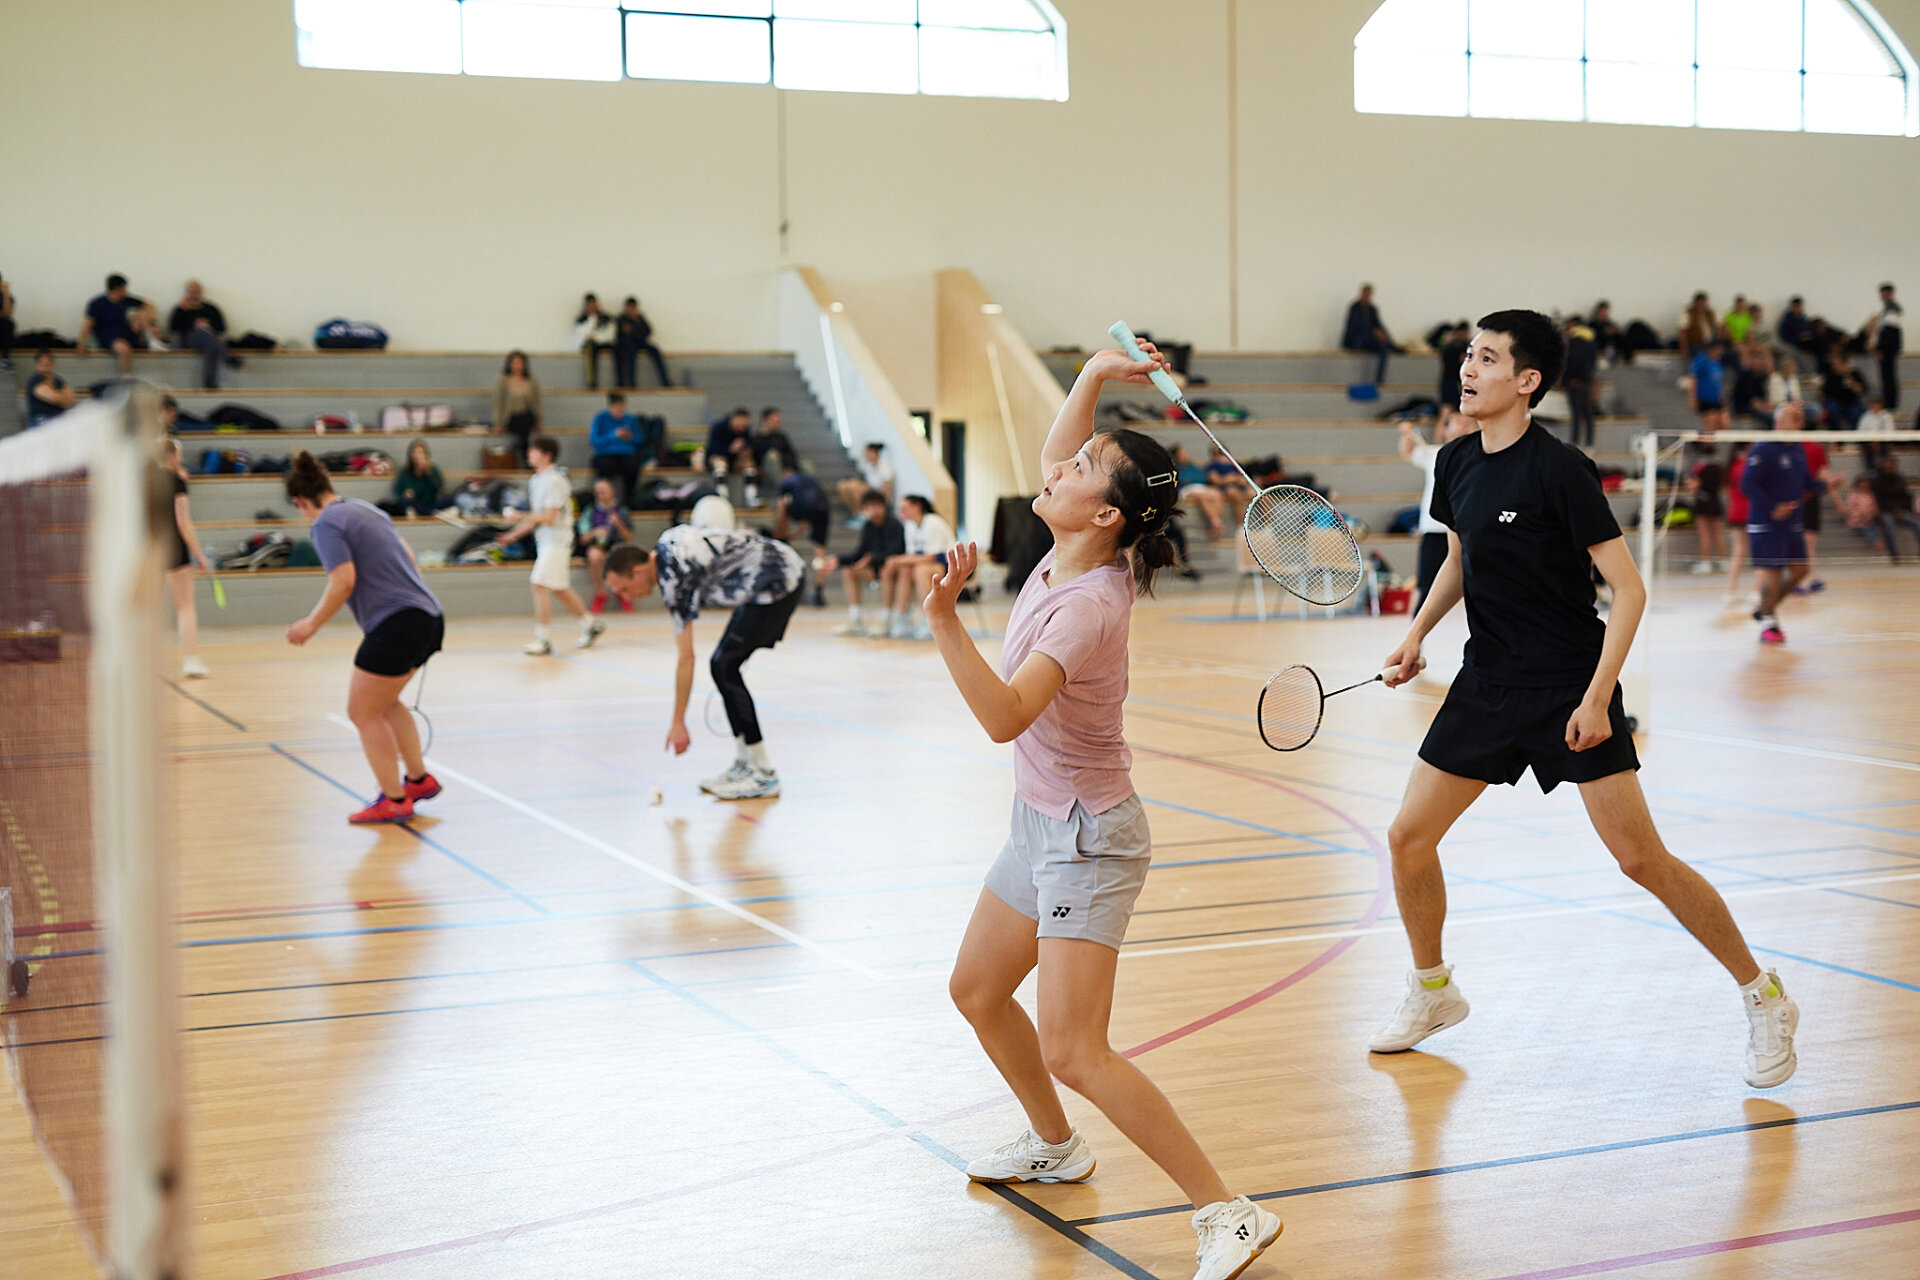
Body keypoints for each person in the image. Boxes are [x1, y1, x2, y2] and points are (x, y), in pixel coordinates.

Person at [924, 339, 1283, 1280]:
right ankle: (1056, 1145)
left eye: (1081, 469)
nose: (1058, 468)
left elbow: (1004, 718)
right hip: (1040, 821)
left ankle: (1228, 1211)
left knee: (1077, 1050)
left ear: (1108, 514)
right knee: (976, 991)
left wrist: (945, 621)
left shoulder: (1086, 605)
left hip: (1088, 840)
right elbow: (1061, 454)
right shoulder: (1072, 542)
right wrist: (1092, 371)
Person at [1370, 310, 1799, 1091]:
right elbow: (1460, 561)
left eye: (1487, 358)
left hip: (1570, 685)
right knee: (1407, 838)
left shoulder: (1560, 469)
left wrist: (1599, 698)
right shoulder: (1458, 460)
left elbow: (1628, 591)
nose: (1468, 369)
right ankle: (1433, 990)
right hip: (1486, 683)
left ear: (1527, 381)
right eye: (1468, 355)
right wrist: (1417, 633)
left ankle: (1763, 994)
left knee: (1640, 859)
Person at [283, 451, 445, 825]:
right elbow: (408, 556)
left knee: (362, 712)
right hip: (429, 617)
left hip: (398, 624)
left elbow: (343, 581)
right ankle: (418, 780)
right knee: (384, 704)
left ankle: (394, 799)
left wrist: (311, 624)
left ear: (301, 501)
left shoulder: (325, 523)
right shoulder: (366, 509)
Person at [602, 526, 807, 801]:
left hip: (780, 581)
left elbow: (686, 658)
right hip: (769, 576)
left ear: (637, 572)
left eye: (625, 589)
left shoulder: (674, 577)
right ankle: (745, 764)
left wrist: (678, 722)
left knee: (725, 666)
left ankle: (763, 773)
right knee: (723, 665)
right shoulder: (668, 542)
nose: (626, 597)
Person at [492, 435, 604, 656]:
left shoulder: (555, 480)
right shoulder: (536, 480)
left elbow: (550, 518)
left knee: (539, 583)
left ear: (546, 455)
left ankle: (542, 639)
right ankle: (590, 625)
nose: (529, 454)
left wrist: (518, 515)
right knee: (559, 588)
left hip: (557, 540)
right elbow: (536, 517)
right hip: (544, 541)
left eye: (533, 450)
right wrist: (511, 535)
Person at [1741, 401, 1816, 644]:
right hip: (1767, 523)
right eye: (1796, 418)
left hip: (1792, 522)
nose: (1801, 423)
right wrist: (1773, 506)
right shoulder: (1764, 449)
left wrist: (1827, 484)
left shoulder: (1797, 449)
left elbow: (1807, 483)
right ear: (1780, 422)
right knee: (1773, 573)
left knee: (1801, 570)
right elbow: (1747, 484)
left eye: (1801, 418)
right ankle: (1769, 623)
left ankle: (1766, 608)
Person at [1399, 408, 1476, 613]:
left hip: (1468, 531)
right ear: (1446, 430)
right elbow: (1408, 452)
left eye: (1467, 420)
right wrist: (1407, 434)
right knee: (1427, 586)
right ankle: (1417, 629)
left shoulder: (1481, 456)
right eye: (1457, 420)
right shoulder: (1435, 454)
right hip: (1435, 529)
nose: (1463, 421)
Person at [157, 438, 213, 679]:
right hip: (175, 548)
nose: (180, 458)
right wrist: (200, 555)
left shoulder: (146, 481)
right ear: (171, 456)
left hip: (152, 548)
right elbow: (183, 523)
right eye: (178, 454)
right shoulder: (177, 482)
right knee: (185, 607)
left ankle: (144, 662)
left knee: (150, 609)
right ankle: (190, 660)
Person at [880, 494, 956, 640]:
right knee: (905, 570)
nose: (901, 514)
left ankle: (928, 618)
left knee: (920, 570)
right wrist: (897, 562)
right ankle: (903, 616)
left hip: (947, 564)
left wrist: (898, 560)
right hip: (925, 563)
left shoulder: (933, 522)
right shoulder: (909, 526)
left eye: (904, 509)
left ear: (917, 507)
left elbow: (932, 556)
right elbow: (912, 555)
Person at [833, 489, 905, 636]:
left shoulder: (894, 525)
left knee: (887, 569)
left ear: (884, 506)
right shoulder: (868, 526)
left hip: (894, 569)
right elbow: (859, 553)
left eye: (877, 506)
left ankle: (887, 617)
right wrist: (837, 560)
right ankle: (855, 617)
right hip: (874, 568)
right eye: (870, 507)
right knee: (849, 571)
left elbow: (896, 551)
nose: (874, 510)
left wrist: (871, 558)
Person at [773, 456, 833, 607]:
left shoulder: (788, 480)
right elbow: (809, 520)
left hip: (803, 509)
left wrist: (780, 532)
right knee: (820, 553)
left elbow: (781, 505)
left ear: (786, 471)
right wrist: (794, 535)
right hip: (823, 510)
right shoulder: (810, 480)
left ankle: (780, 538)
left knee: (784, 504)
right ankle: (819, 591)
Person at [78, 273, 159, 374]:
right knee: (124, 348)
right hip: (109, 338)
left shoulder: (127, 300)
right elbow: (87, 324)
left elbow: (150, 305)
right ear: (117, 289)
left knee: (144, 311)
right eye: (124, 289)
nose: (127, 291)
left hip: (129, 333)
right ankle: (126, 377)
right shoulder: (97, 304)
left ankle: (152, 340)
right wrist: (81, 344)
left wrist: (152, 322)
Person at [166, 279, 239, 390]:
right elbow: (173, 329)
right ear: (187, 293)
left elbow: (222, 328)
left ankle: (209, 384)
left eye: (196, 291)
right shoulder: (181, 309)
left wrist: (208, 324)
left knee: (209, 343)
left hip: (209, 339)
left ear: (201, 292)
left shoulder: (211, 309)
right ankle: (227, 358)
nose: (194, 295)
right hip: (188, 340)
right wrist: (192, 322)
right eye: (191, 291)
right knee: (204, 334)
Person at [579, 475, 634, 613]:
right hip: (599, 545)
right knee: (594, 555)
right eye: (597, 493)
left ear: (612, 492)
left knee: (623, 556)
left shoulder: (621, 510)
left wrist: (618, 524)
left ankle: (623, 591)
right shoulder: (591, 511)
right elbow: (583, 538)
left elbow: (628, 537)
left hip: (617, 545)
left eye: (603, 492)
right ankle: (601, 592)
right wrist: (595, 532)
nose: (600, 496)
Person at [589, 391, 646, 508]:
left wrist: (631, 437)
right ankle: (604, 498)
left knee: (632, 466)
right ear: (610, 406)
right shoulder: (600, 418)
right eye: (616, 407)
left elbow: (640, 439)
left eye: (622, 407)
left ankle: (629, 499)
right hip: (606, 453)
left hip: (626, 452)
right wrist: (614, 435)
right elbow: (594, 441)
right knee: (605, 466)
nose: (619, 410)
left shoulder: (630, 419)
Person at [493, 350, 542, 465]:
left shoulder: (532, 380)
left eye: (520, 363)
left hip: (527, 416)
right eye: (515, 363)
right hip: (511, 417)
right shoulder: (504, 380)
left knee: (525, 422)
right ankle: (525, 459)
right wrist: (498, 423)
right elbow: (499, 402)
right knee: (522, 427)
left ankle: (522, 454)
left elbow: (537, 401)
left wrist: (539, 421)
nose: (517, 366)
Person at [1866, 456, 1920, 561]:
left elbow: (1906, 497)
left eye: (1891, 466)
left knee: (1917, 523)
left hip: (1900, 510)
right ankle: (1894, 554)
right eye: (1887, 466)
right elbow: (1878, 500)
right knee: (1888, 524)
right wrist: (1893, 509)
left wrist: (1905, 509)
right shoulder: (1877, 481)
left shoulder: (1900, 479)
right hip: (1884, 511)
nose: (1889, 468)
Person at [1341, 282, 1396, 385]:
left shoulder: (1372, 309)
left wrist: (1383, 334)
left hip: (1369, 340)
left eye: (1367, 294)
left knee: (1383, 346)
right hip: (1357, 340)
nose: (1365, 296)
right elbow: (1355, 326)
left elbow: (1379, 324)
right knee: (1374, 337)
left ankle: (1379, 379)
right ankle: (1392, 346)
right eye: (1364, 294)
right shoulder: (1354, 308)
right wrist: (1373, 332)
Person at [1686, 442, 1727, 576]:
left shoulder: (1700, 468)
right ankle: (1723, 561)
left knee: (1704, 534)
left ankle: (1706, 562)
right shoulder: (1719, 468)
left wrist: (1690, 482)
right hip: (1715, 501)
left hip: (1703, 502)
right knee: (1717, 534)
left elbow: (1694, 486)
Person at [1171, 443, 1227, 539]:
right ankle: (1215, 523)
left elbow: (1203, 477)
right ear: (1177, 456)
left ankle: (1216, 522)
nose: (1186, 454)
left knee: (1217, 493)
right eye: (1182, 453)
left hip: (1200, 487)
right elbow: (1182, 480)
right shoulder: (1176, 468)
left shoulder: (1192, 466)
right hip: (1186, 489)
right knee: (1202, 496)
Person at [613, 295, 670, 389]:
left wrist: (636, 324)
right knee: (631, 352)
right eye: (629, 308)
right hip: (628, 344)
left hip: (640, 342)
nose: (631, 310)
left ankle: (665, 381)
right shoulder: (621, 319)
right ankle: (631, 383)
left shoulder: (640, 318)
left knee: (655, 350)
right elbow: (621, 334)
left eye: (633, 308)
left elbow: (648, 331)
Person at [705, 407, 758, 502]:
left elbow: (750, 444)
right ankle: (722, 497)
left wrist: (745, 452)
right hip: (719, 457)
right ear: (733, 420)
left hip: (735, 460)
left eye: (744, 426)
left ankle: (751, 497)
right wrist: (730, 449)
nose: (742, 429)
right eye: (740, 425)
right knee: (720, 464)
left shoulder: (745, 430)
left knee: (749, 465)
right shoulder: (718, 427)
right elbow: (713, 450)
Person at [1561, 315, 1597, 447]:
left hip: (1574, 381)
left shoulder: (1573, 344)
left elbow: (1570, 362)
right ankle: (1589, 443)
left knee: (1576, 414)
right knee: (1587, 414)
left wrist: (1567, 380)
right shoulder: (1591, 342)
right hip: (1587, 381)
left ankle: (1575, 442)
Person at [1867, 283, 1902, 410]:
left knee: (1888, 377)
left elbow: (1889, 332)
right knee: (1887, 377)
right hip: (1888, 347)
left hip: (1888, 348)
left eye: (1885, 293)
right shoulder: (1888, 308)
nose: (1883, 296)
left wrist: (1881, 349)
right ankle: (1889, 402)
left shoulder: (1892, 309)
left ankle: (1890, 403)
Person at [837, 441, 893, 517]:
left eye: (867, 453)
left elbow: (886, 490)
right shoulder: (869, 466)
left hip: (877, 493)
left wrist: (883, 504)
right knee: (842, 485)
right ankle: (856, 512)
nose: (865, 455)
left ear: (874, 453)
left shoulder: (884, 468)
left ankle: (862, 514)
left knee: (854, 486)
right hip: (869, 489)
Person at [391, 440, 446, 517]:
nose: (419, 456)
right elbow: (397, 490)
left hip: (430, 503)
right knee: (405, 502)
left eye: (421, 453)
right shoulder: (405, 472)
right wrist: (406, 494)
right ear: (411, 455)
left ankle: (429, 512)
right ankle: (425, 512)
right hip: (413, 503)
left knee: (449, 500)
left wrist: (429, 472)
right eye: (416, 453)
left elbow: (438, 487)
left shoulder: (432, 470)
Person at [1688, 339, 1730, 437]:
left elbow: (1717, 381)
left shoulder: (1718, 363)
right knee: (1711, 423)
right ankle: (1709, 443)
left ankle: (1716, 442)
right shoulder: (1701, 360)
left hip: (1716, 398)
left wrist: (1721, 395)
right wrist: (1693, 398)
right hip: (1705, 398)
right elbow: (1693, 379)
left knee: (1725, 423)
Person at [24, 350, 76, 427]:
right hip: (41, 419)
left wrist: (57, 395)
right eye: (43, 365)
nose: (46, 368)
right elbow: (54, 398)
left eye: (48, 365)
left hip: (58, 418)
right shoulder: (35, 380)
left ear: (52, 365)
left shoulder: (58, 380)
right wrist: (61, 396)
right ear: (37, 365)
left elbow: (71, 400)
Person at [574, 293, 616, 390]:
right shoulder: (582, 320)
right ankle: (592, 381)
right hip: (591, 345)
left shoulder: (606, 318)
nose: (592, 307)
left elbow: (610, 335)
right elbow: (581, 334)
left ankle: (622, 382)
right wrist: (591, 319)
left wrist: (596, 338)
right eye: (590, 305)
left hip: (604, 343)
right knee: (589, 349)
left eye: (594, 304)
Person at [750, 407, 800, 482]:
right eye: (774, 421)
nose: (777, 424)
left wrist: (789, 468)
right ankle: (783, 487)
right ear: (765, 420)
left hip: (784, 468)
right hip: (766, 472)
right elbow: (757, 458)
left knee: (807, 465)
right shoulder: (756, 439)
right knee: (772, 456)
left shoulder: (781, 437)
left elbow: (791, 454)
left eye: (778, 421)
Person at [1438, 320, 1471, 407]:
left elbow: (1442, 366)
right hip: (1455, 380)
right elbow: (1464, 361)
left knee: (1446, 405)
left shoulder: (1447, 346)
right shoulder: (1463, 346)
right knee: (1456, 406)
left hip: (1446, 379)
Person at [1588, 301, 1622, 365]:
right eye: (1602, 312)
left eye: (1605, 312)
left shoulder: (1609, 324)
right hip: (1596, 350)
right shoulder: (1591, 325)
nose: (1604, 314)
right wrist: (1603, 332)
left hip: (1609, 350)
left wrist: (1613, 332)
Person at [0, 271, 14, 370]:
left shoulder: (6, 297)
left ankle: (5, 358)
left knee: (8, 324)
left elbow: (7, 314)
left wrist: (5, 294)